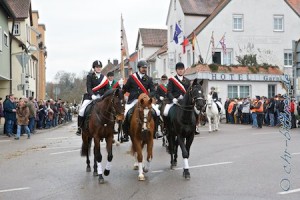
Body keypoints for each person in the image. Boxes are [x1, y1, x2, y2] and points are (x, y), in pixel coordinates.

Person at [121, 59, 159, 142]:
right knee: (126, 114)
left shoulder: (149, 79)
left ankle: (155, 132)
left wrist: (147, 97)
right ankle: (126, 133)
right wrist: (122, 86)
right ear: (139, 68)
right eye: (143, 67)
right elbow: (126, 89)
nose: (144, 69)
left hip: (145, 101)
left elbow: (153, 91)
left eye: (145, 67)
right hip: (134, 100)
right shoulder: (132, 78)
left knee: (156, 112)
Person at [76, 60, 110, 135]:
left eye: (100, 67)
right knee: (82, 110)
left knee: (110, 108)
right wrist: (92, 95)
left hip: (101, 97)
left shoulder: (104, 78)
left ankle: (111, 127)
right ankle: (80, 127)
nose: (98, 68)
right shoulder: (90, 76)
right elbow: (88, 88)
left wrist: (104, 96)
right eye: (97, 67)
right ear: (94, 68)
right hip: (91, 97)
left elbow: (107, 89)